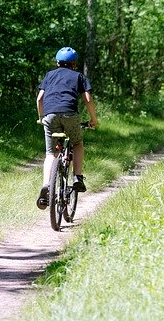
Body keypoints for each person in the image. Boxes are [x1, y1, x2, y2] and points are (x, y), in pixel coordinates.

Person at [35, 46, 98, 210]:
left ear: (57, 63)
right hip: (70, 114)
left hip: (49, 115)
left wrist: (42, 118)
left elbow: (40, 99)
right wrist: (93, 119)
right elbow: (88, 99)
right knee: (77, 143)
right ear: (74, 64)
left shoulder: (49, 75)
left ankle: (47, 185)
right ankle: (77, 177)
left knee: (50, 153)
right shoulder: (79, 76)